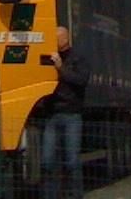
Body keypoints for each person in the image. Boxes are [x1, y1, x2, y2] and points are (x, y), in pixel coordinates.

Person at [42, 26, 89, 199]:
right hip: (52, 114)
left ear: (66, 39)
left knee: (72, 161)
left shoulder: (77, 58)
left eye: (58, 37)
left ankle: (76, 195)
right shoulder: (48, 57)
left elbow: (81, 80)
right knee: (47, 161)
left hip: (71, 114)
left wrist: (61, 68)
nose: (55, 41)